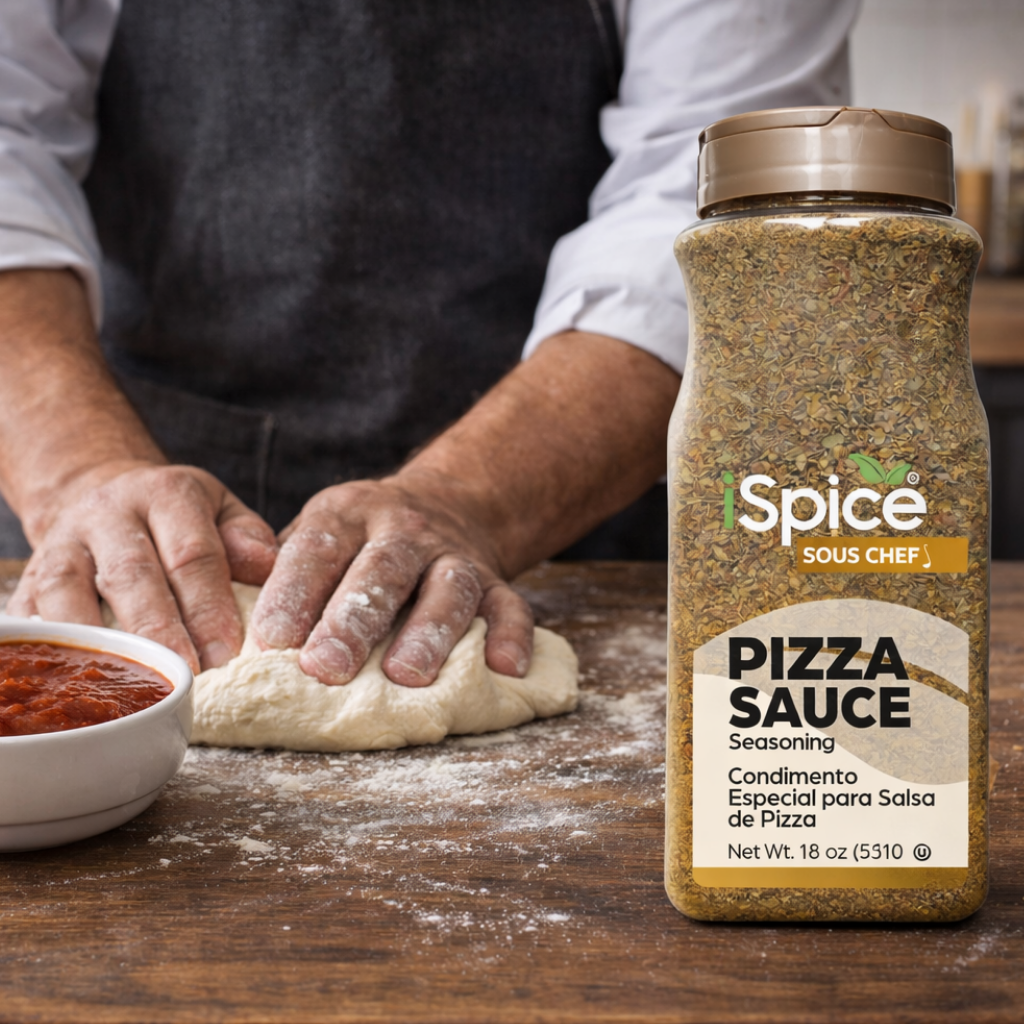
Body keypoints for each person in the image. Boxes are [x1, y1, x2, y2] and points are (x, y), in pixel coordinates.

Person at [0, 0, 858, 686]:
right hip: (121, 515)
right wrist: (80, 472)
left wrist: (467, 499)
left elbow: (722, 196)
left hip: (561, 510)